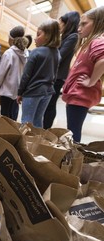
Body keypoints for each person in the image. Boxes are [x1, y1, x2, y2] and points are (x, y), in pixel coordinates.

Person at [62, 6, 104, 143]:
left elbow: (102, 61)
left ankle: (72, 160)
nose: (79, 28)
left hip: (81, 95)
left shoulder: (98, 41)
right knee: (72, 130)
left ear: (98, 23)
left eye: (84, 24)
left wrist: (91, 82)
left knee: (73, 133)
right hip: (76, 94)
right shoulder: (90, 42)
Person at [17, 19, 61, 128]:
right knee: (37, 120)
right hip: (48, 92)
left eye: (38, 34)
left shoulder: (36, 52)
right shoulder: (57, 53)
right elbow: (55, 75)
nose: (35, 38)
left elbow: (26, 75)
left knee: (26, 121)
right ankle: (38, 144)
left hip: (33, 91)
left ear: (48, 35)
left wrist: (20, 92)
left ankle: (25, 144)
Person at [43, 11, 80, 129]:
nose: (59, 26)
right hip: (54, 75)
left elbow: (60, 55)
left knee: (50, 104)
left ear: (68, 23)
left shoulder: (73, 37)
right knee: (47, 104)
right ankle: (44, 128)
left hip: (58, 76)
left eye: (61, 23)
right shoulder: (65, 37)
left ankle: (46, 129)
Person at [0, 26, 28, 121]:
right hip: (17, 92)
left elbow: (1, 73)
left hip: (6, 91)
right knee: (13, 118)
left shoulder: (9, 53)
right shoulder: (25, 54)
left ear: (11, 39)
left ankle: (4, 135)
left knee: (5, 118)